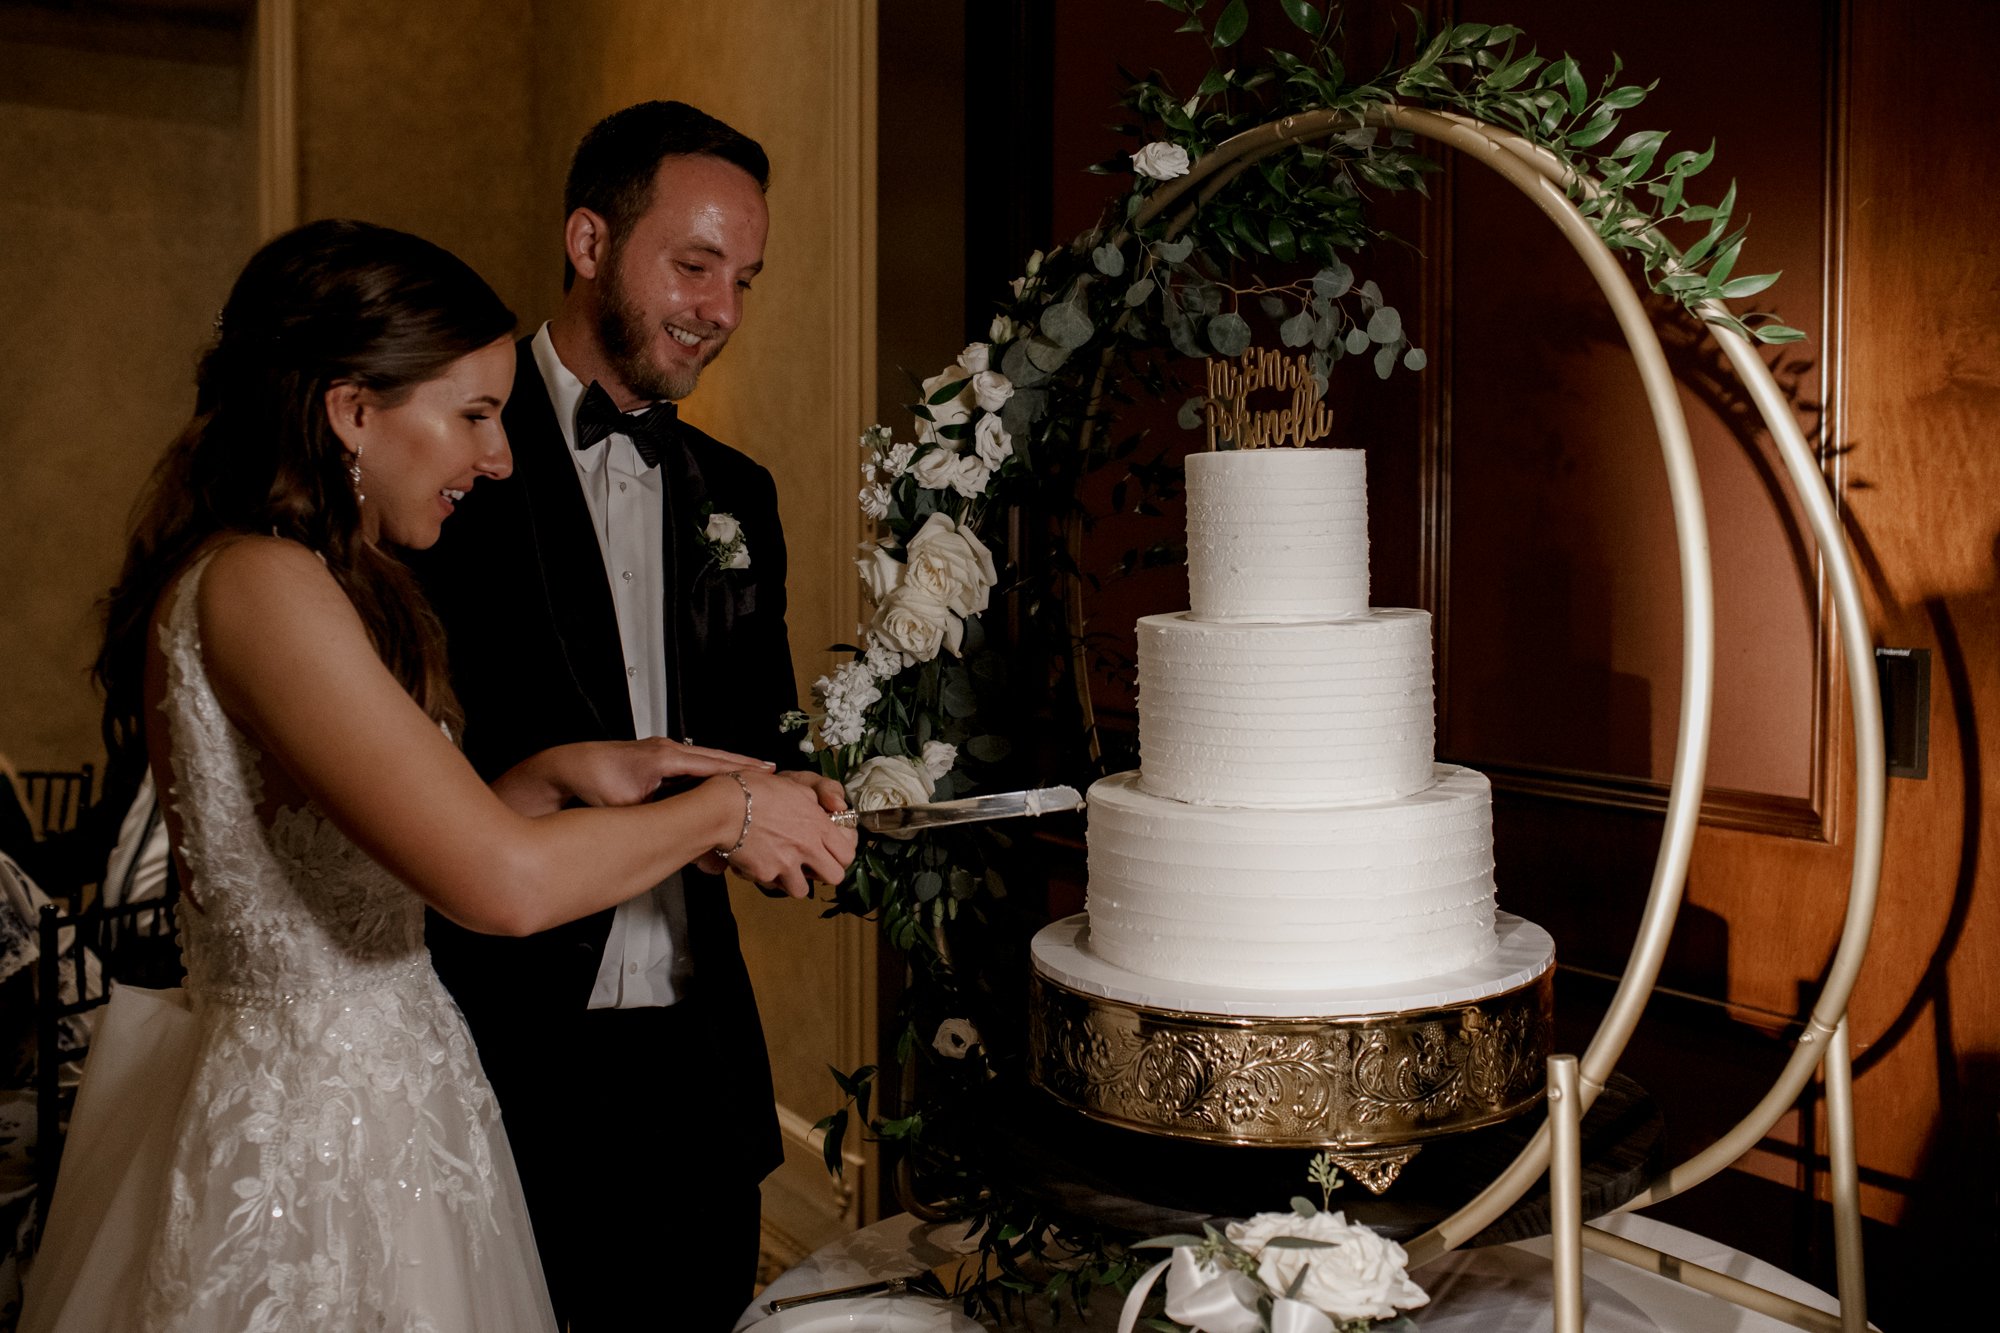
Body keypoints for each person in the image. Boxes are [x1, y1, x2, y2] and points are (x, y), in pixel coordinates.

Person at [19, 218, 854, 1333]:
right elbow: (495, 886)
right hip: (317, 1141)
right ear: (353, 411)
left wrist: (554, 773)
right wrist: (727, 808)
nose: (500, 456)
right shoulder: (263, 584)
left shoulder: (311, 575)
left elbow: (361, 854)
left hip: (389, 1107)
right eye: (470, 415)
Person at [405, 101, 829, 1331]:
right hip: (502, 1048)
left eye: (744, 278)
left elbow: (762, 734)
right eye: (692, 266)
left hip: (697, 1074)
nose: (722, 311)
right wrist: (715, 809)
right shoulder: (445, 464)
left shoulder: (735, 494)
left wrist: (806, 807)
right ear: (588, 242)